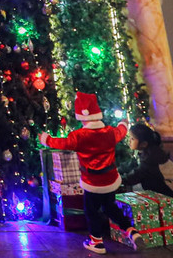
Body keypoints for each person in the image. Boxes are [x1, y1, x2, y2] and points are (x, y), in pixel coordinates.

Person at [39, 91, 132, 255]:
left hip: (92, 181)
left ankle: (96, 242)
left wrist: (46, 139)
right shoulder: (110, 132)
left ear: (81, 117)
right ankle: (131, 230)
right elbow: (121, 131)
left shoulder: (79, 136)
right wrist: (124, 123)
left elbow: (63, 143)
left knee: (91, 211)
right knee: (110, 207)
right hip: (110, 180)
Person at [123, 123, 173, 201]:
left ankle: (157, 202)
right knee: (144, 178)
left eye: (132, 139)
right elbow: (131, 165)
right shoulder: (144, 151)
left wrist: (119, 180)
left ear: (144, 144)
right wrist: (117, 170)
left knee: (146, 180)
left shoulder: (151, 158)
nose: (129, 141)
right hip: (172, 185)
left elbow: (135, 176)